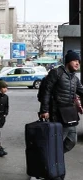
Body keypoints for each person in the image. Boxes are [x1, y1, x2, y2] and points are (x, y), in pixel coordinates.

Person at [40, 51, 83, 180]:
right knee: (56, 142)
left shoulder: (74, 78)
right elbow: (46, 91)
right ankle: (53, 169)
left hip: (70, 115)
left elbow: (81, 91)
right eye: (75, 60)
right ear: (68, 61)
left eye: (79, 61)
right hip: (57, 115)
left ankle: (54, 158)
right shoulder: (57, 73)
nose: (77, 63)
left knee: (71, 141)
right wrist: (44, 109)